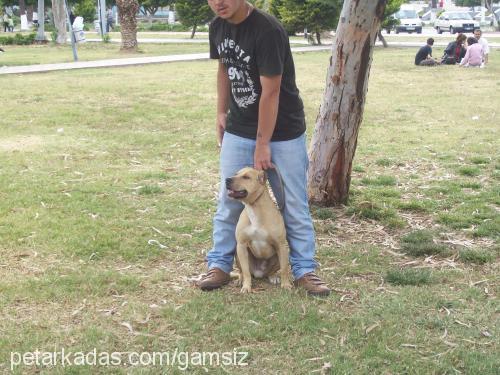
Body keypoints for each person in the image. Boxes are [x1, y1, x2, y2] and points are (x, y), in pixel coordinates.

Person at [198, 0, 331, 296]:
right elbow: (224, 69)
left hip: (282, 131)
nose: (218, 3)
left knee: (293, 203)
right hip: (239, 128)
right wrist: (221, 112)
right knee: (229, 198)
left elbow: (270, 92)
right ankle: (219, 264)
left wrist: (262, 145)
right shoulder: (217, 26)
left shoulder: (267, 30)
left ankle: (304, 269)